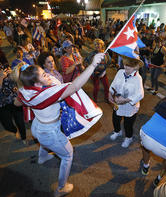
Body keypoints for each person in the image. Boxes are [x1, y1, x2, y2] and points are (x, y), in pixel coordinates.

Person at [13, 53, 105, 197]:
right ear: (37, 84)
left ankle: (42, 157)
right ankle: (61, 188)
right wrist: (93, 65)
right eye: (44, 75)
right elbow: (73, 87)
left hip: (37, 127)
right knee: (68, 155)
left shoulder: (25, 90)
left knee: (44, 143)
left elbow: (17, 102)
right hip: (50, 132)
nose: (48, 75)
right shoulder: (45, 94)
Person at [109, 55, 144, 148]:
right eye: (125, 64)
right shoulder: (120, 72)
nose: (126, 67)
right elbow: (114, 84)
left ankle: (129, 138)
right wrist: (110, 93)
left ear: (135, 67)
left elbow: (140, 94)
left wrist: (125, 100)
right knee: (115, 119)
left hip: (130, 106)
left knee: (128, 124)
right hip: (118, 103)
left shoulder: (138, 78)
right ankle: (117, 131)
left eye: (129, 66)